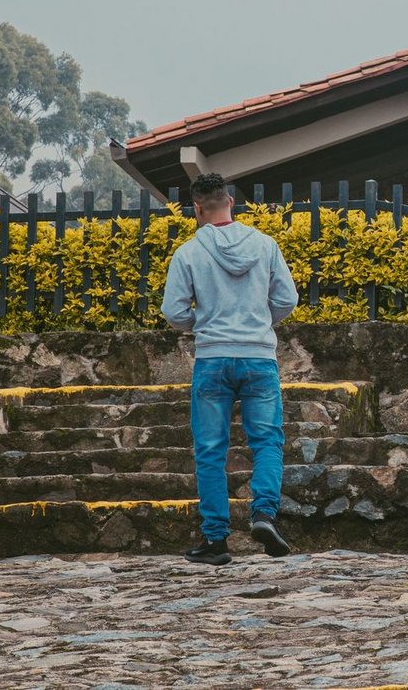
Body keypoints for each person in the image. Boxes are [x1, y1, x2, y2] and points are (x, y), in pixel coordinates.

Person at [162, 172, 299, 566]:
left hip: (212, 359)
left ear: (197, 209)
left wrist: (203, 326)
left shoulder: (188, 253)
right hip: (258, 357)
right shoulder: (265, 245)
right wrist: (259, 323)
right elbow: (287, 299)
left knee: (209, 450)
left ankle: (216, 541)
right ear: (231, 203)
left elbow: (173, 312)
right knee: (268, 442)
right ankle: (264, 514)